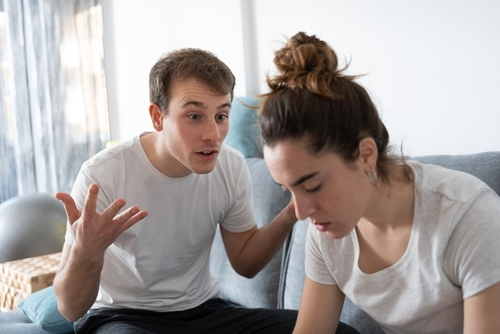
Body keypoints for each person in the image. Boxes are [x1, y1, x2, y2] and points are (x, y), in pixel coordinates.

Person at [258, 31, 500, 334]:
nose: (302, 212)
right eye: (288, 190)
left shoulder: (469, 216)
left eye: (312, 185)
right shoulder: (327, 231)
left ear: (366, 155)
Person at [52, 48, 307, 334]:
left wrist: (290, 212)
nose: (213, 134)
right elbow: (70, 308)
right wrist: (86, 253)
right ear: (158, 117)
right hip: (121, 317)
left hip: (204, 312)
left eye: (221, 116)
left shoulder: (232, 166)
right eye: (195, 116)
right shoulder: (102, 175)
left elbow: (245, 264)